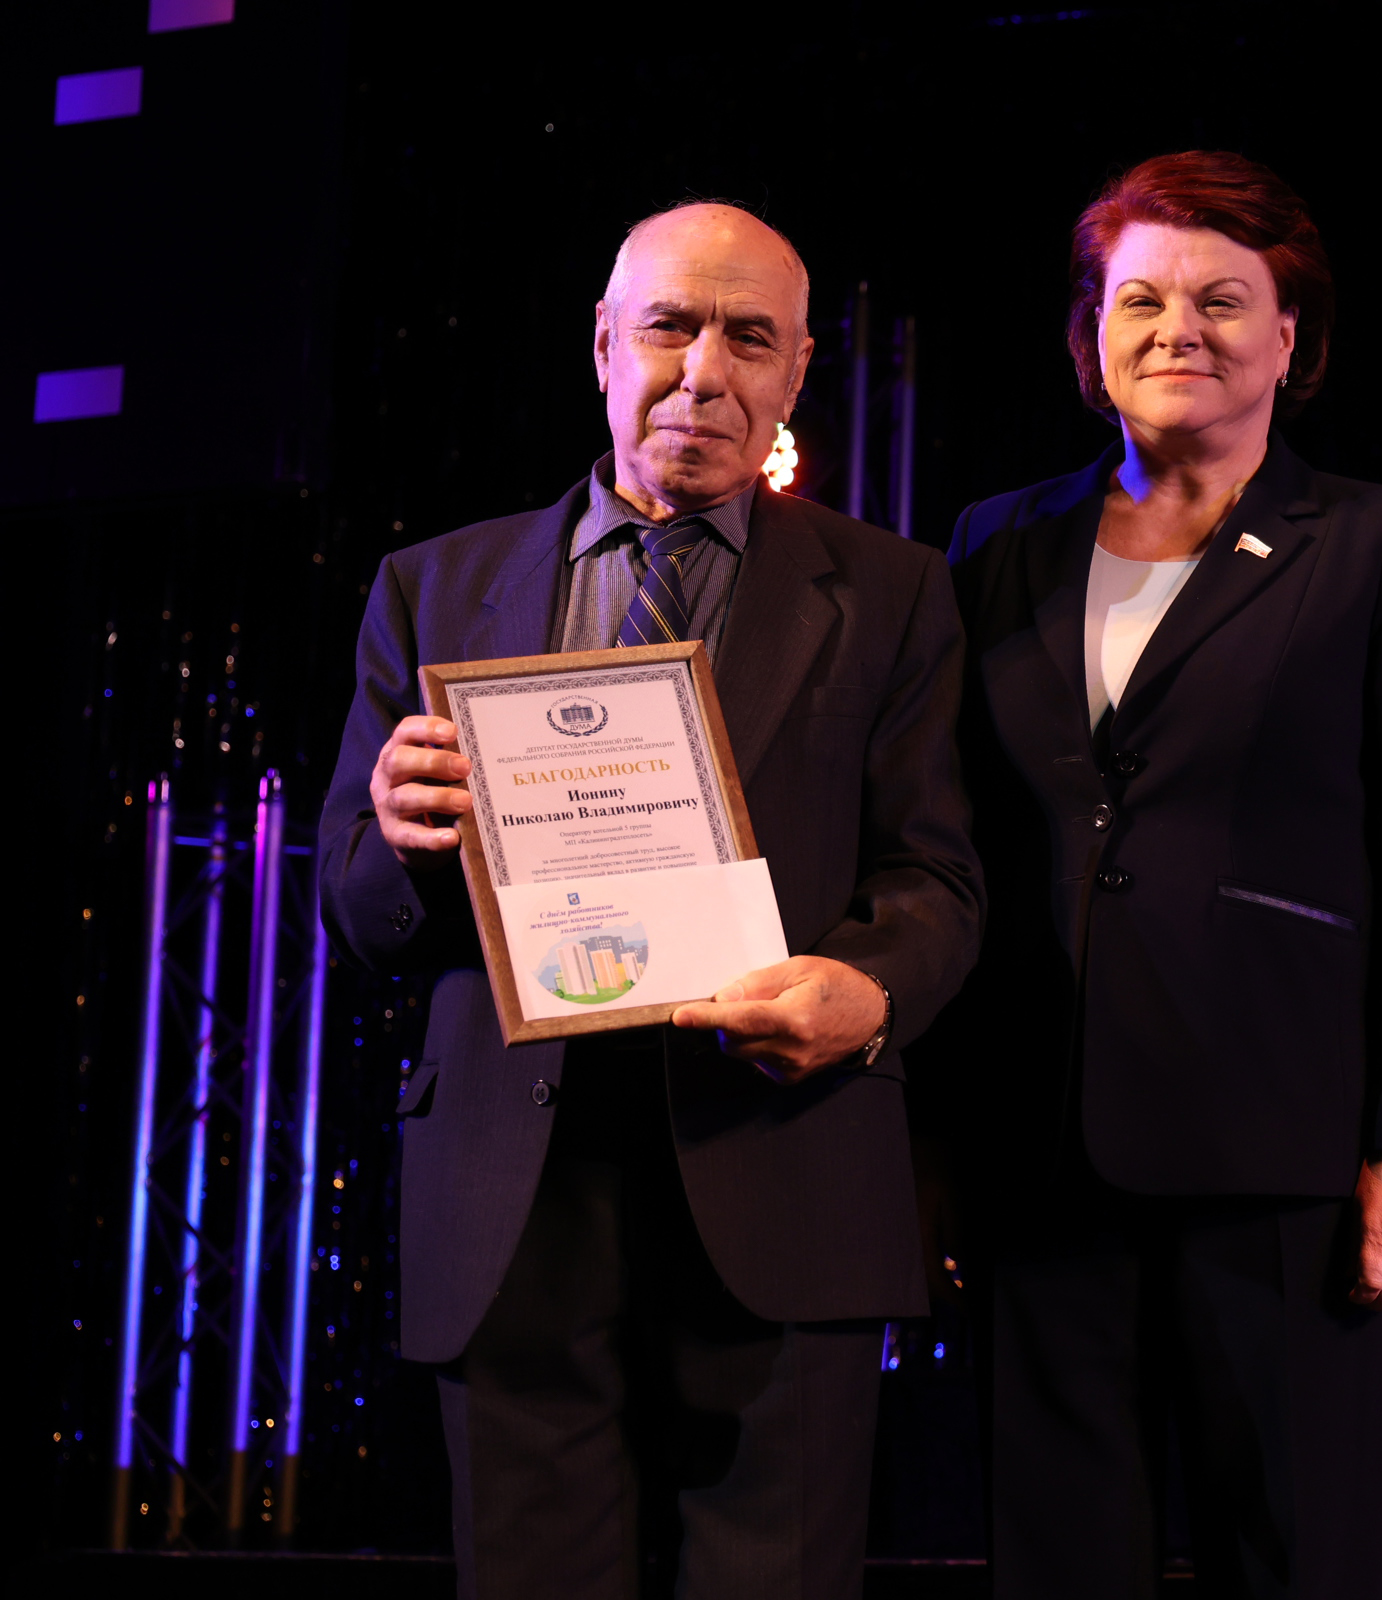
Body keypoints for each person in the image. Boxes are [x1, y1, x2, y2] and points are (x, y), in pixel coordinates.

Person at [318, 201, 982, 1599]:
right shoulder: (433, 587)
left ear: (797, 372)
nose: (705, 373)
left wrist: (867, 989)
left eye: (751, 339)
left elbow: (937, 876)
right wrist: (401, 838)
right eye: (672, 327)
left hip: (784, 1162)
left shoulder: (897, 592)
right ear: (605, 345)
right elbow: (360, 914)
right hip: (514, 1195)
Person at [924, 151, 1382, 1597]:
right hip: (1041, 1150)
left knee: (1296, 1561)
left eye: (1223, 300)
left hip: (1288, 1161)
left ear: (1289, 338)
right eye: (1142, 300)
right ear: (1091, 336)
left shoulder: (1376, 541)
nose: (1179, 329)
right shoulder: (996, 542)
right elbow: (951, 834)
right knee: (1056, 1563)